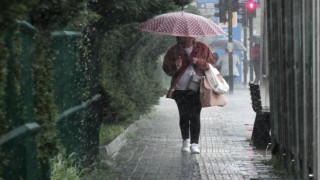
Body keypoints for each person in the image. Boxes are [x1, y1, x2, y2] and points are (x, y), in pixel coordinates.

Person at [162, 36, 215, 154]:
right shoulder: (174, 50)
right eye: (184, 36)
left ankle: (194, 144)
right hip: (180, 89)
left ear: (194, 36)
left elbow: (211, 65)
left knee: (195, 115)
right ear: (180, 37)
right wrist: (175, 65)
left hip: (197, 87)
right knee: (184, 115)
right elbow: (166, 68)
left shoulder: (203, 48)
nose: (187, 38)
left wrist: (198, 61)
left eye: (190, 35)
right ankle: (185, 140)